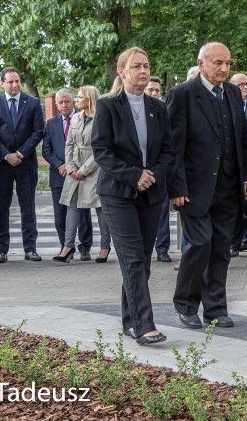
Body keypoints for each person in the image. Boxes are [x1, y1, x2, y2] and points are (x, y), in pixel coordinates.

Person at [167, 42, 247, 330]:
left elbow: (243, 138)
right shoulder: (182, 95)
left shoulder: (231, 92)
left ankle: (216, 308)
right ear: (201, 63)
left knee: (221, 249)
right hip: (193, 189)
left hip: (229, 187)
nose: (224, 69)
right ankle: (186, 304)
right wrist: (176, 186)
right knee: (200, 244)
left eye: (227, 63)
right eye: (218, 63)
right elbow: (174, 147)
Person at [93, 47, 175, 345]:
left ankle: (129, 320)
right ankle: (144, 325)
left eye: (147, 66)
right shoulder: (107, 106)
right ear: (122, 71)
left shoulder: (158, 107)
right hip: (118, 193)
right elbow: (101, 151)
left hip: (150, 192)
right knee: (131, 259)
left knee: (142, 260)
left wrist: (151, 173)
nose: (144, 71)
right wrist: (133, 175)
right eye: (137, 66)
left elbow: (168, 150)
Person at [0, 67, 45, 263]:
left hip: (25, 163)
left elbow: (38, 131)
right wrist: (6, 155)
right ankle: (1, 250)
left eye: (17, 81)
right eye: (10, 82)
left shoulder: (33, 102)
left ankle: (30, 248)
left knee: (28, 207)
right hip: (1, 164)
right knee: (1, 208)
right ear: (2, 83)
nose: (15, 85)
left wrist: (20, 153)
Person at [55, 85, 111, 263]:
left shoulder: (101, 118)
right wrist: (71, 168)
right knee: (72, 206)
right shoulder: (76, 118)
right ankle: (68, 246)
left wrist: (84, 170)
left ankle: (104, 247)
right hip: (75, 169)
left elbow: (100, 149)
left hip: (95, 169)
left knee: (101, 208)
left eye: (80, 97)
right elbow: (69, 145)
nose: (76, 101)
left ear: (90, 99)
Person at [43, 88, 93, 259]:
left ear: (73, 102)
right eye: (61, 102)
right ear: (56, 104)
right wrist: (60, 165)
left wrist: (74, 167)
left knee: (83, 213)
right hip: (59, 175)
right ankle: (66, 247)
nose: (64, 105)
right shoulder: (51, 123)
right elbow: (46, 150)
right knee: (60, 215)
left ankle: (85, 248)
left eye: (67, 102)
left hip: (80, 173)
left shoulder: (83, 119)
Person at [229, 72, 247, 258]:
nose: (246, 87)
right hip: (231, 165)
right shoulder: (227, 105)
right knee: (233, 208)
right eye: (241, 85)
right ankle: (234, 244)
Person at [146, 76, 173, 263]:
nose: (154, 93)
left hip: (160, 171)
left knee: (162, 213)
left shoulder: (164, 110)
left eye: (157, 90)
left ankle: (162, 248)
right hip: (138, 173)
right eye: (151, 90)